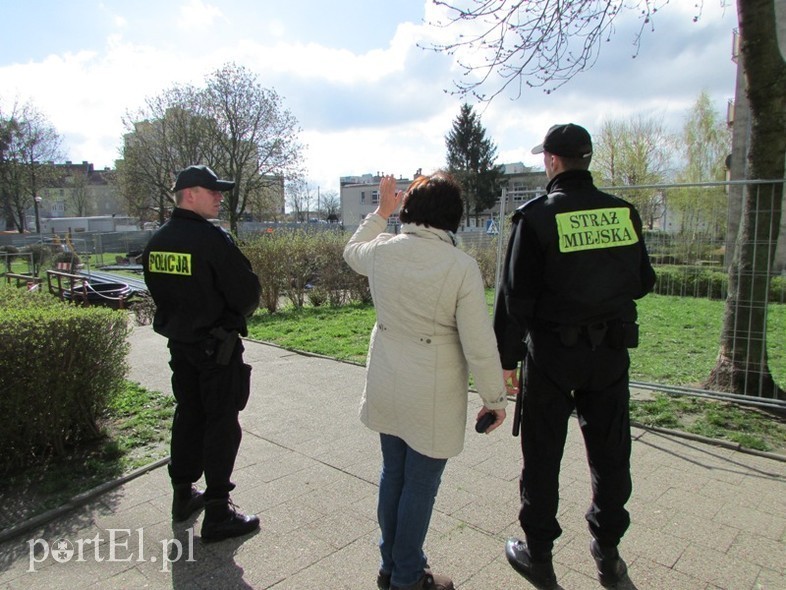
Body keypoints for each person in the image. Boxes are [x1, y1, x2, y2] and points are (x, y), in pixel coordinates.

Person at [494, 124, 657, 589]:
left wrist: (505, 361)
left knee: (542, 455)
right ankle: (608, 552)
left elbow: (514, 299)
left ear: (551, 160)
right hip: (609, 354)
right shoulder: (622, 213)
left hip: (551, 357)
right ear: (586, 160)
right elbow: (643, 282)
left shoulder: (536, 217)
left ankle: (539, 556)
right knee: (611, 454)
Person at [343, 172, 508, 590]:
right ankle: (408, 577)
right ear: (453, 216)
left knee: (393, 476)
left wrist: (381, 211)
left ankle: (390, 566)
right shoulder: (460, 266)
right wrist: (494, 399)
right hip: (432, 394)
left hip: (387, 382)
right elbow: (479, 343)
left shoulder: (382, 250)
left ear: (408, 210)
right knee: (419, 485)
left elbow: (351, 251)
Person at [143, 164, 262, 542]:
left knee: (189, 415)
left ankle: (182, 496)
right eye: (212, 191)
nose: (219, 197)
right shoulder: (212, 240)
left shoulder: (157, 241)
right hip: (217, 351)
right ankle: (218, 512)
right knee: (221, 423)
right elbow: (247, 295)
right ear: (190, 194)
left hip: (181, 348)